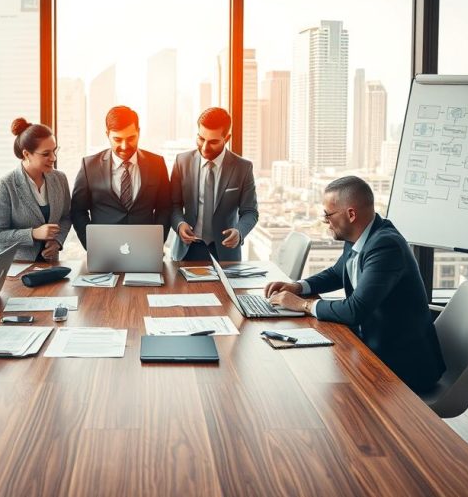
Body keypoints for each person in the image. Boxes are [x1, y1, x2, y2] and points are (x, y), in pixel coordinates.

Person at [264, 176, 446, 393]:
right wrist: (299, 287)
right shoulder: (360, 236)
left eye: (328, 214)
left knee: (314, 385)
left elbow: (355, 310)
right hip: (373, 346)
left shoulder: (386, 246)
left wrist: (302, 305)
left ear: (351, 214)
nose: (325, 221)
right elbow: (337, 272)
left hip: (402, 365)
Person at [70, 105, 171, 249]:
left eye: (131, 138)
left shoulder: (157, 164)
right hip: (103, 249)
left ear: (139, 132)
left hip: (145, 248)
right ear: (107, 135)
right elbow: (77, 210)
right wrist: (91, 244)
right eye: (117, 139)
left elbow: (165, 208)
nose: (124, 146)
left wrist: (156, 242)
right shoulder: (89, 166)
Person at [170, 107, 258, 261]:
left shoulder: (243, 168)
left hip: (225, 252)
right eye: (201, 139)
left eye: (213, 142)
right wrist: (179, 224)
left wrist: (239, 231)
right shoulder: (181, 162)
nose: (204, 147)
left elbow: (250, 211)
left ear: (227, 138)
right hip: (186, 251)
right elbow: (173, 205)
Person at [0, 118, 72, 261]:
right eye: (46, 154)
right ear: (26, 154)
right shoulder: (5, 185)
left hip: (48, 264)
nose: (53, 158)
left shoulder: (60, 179)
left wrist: (57, 242)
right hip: (12, 266)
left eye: (54, 150)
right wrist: (33, 234)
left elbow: (66, 217)